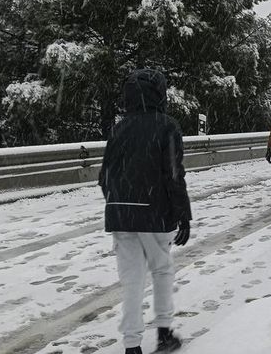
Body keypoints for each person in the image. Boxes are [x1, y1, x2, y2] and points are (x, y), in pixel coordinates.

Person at [99, 69, 191, 354]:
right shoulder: (167, 126)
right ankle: (164, 333)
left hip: (120, 213)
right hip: (155, 213)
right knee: (161, 271)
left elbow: (104, 176)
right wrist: (183, 214)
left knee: (131, 281)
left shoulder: (118, 128)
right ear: (159, 94)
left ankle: (132, 346)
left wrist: (118, 202)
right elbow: (173, 175)